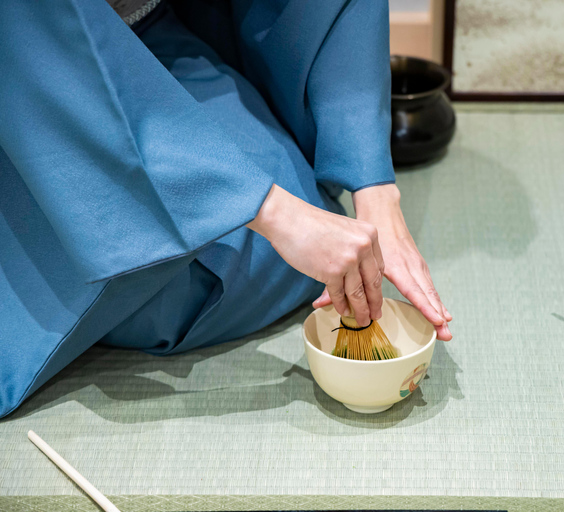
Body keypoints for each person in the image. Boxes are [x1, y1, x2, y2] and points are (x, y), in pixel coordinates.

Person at [0, 0, 452, 419]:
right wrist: (276, 214)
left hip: (151, 33)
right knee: (199, 277)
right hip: (37, 76)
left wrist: (374, 191)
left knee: (298, 221)